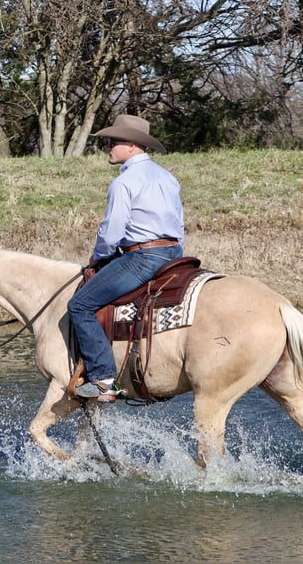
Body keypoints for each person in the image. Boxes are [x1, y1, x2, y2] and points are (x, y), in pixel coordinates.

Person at [68, 115, 184, 399]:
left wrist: (98, 258)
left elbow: (111, 234)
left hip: (143, 257)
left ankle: (104, 382)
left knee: (79, 306)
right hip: (175, 253)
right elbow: (179, 223)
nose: (107, 147)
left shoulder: (124, 183)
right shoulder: (167, 177)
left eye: (112, 142)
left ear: (131, 145)